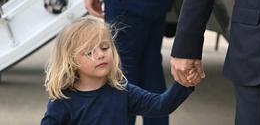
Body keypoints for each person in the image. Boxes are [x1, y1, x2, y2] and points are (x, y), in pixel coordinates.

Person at [40, 17, 193, 125]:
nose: (100, 54)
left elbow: (161, 105)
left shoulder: (123, 91)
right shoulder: (63, 101)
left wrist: (184, 82)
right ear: (71, 61)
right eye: (89, 52)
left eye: (105, 47)